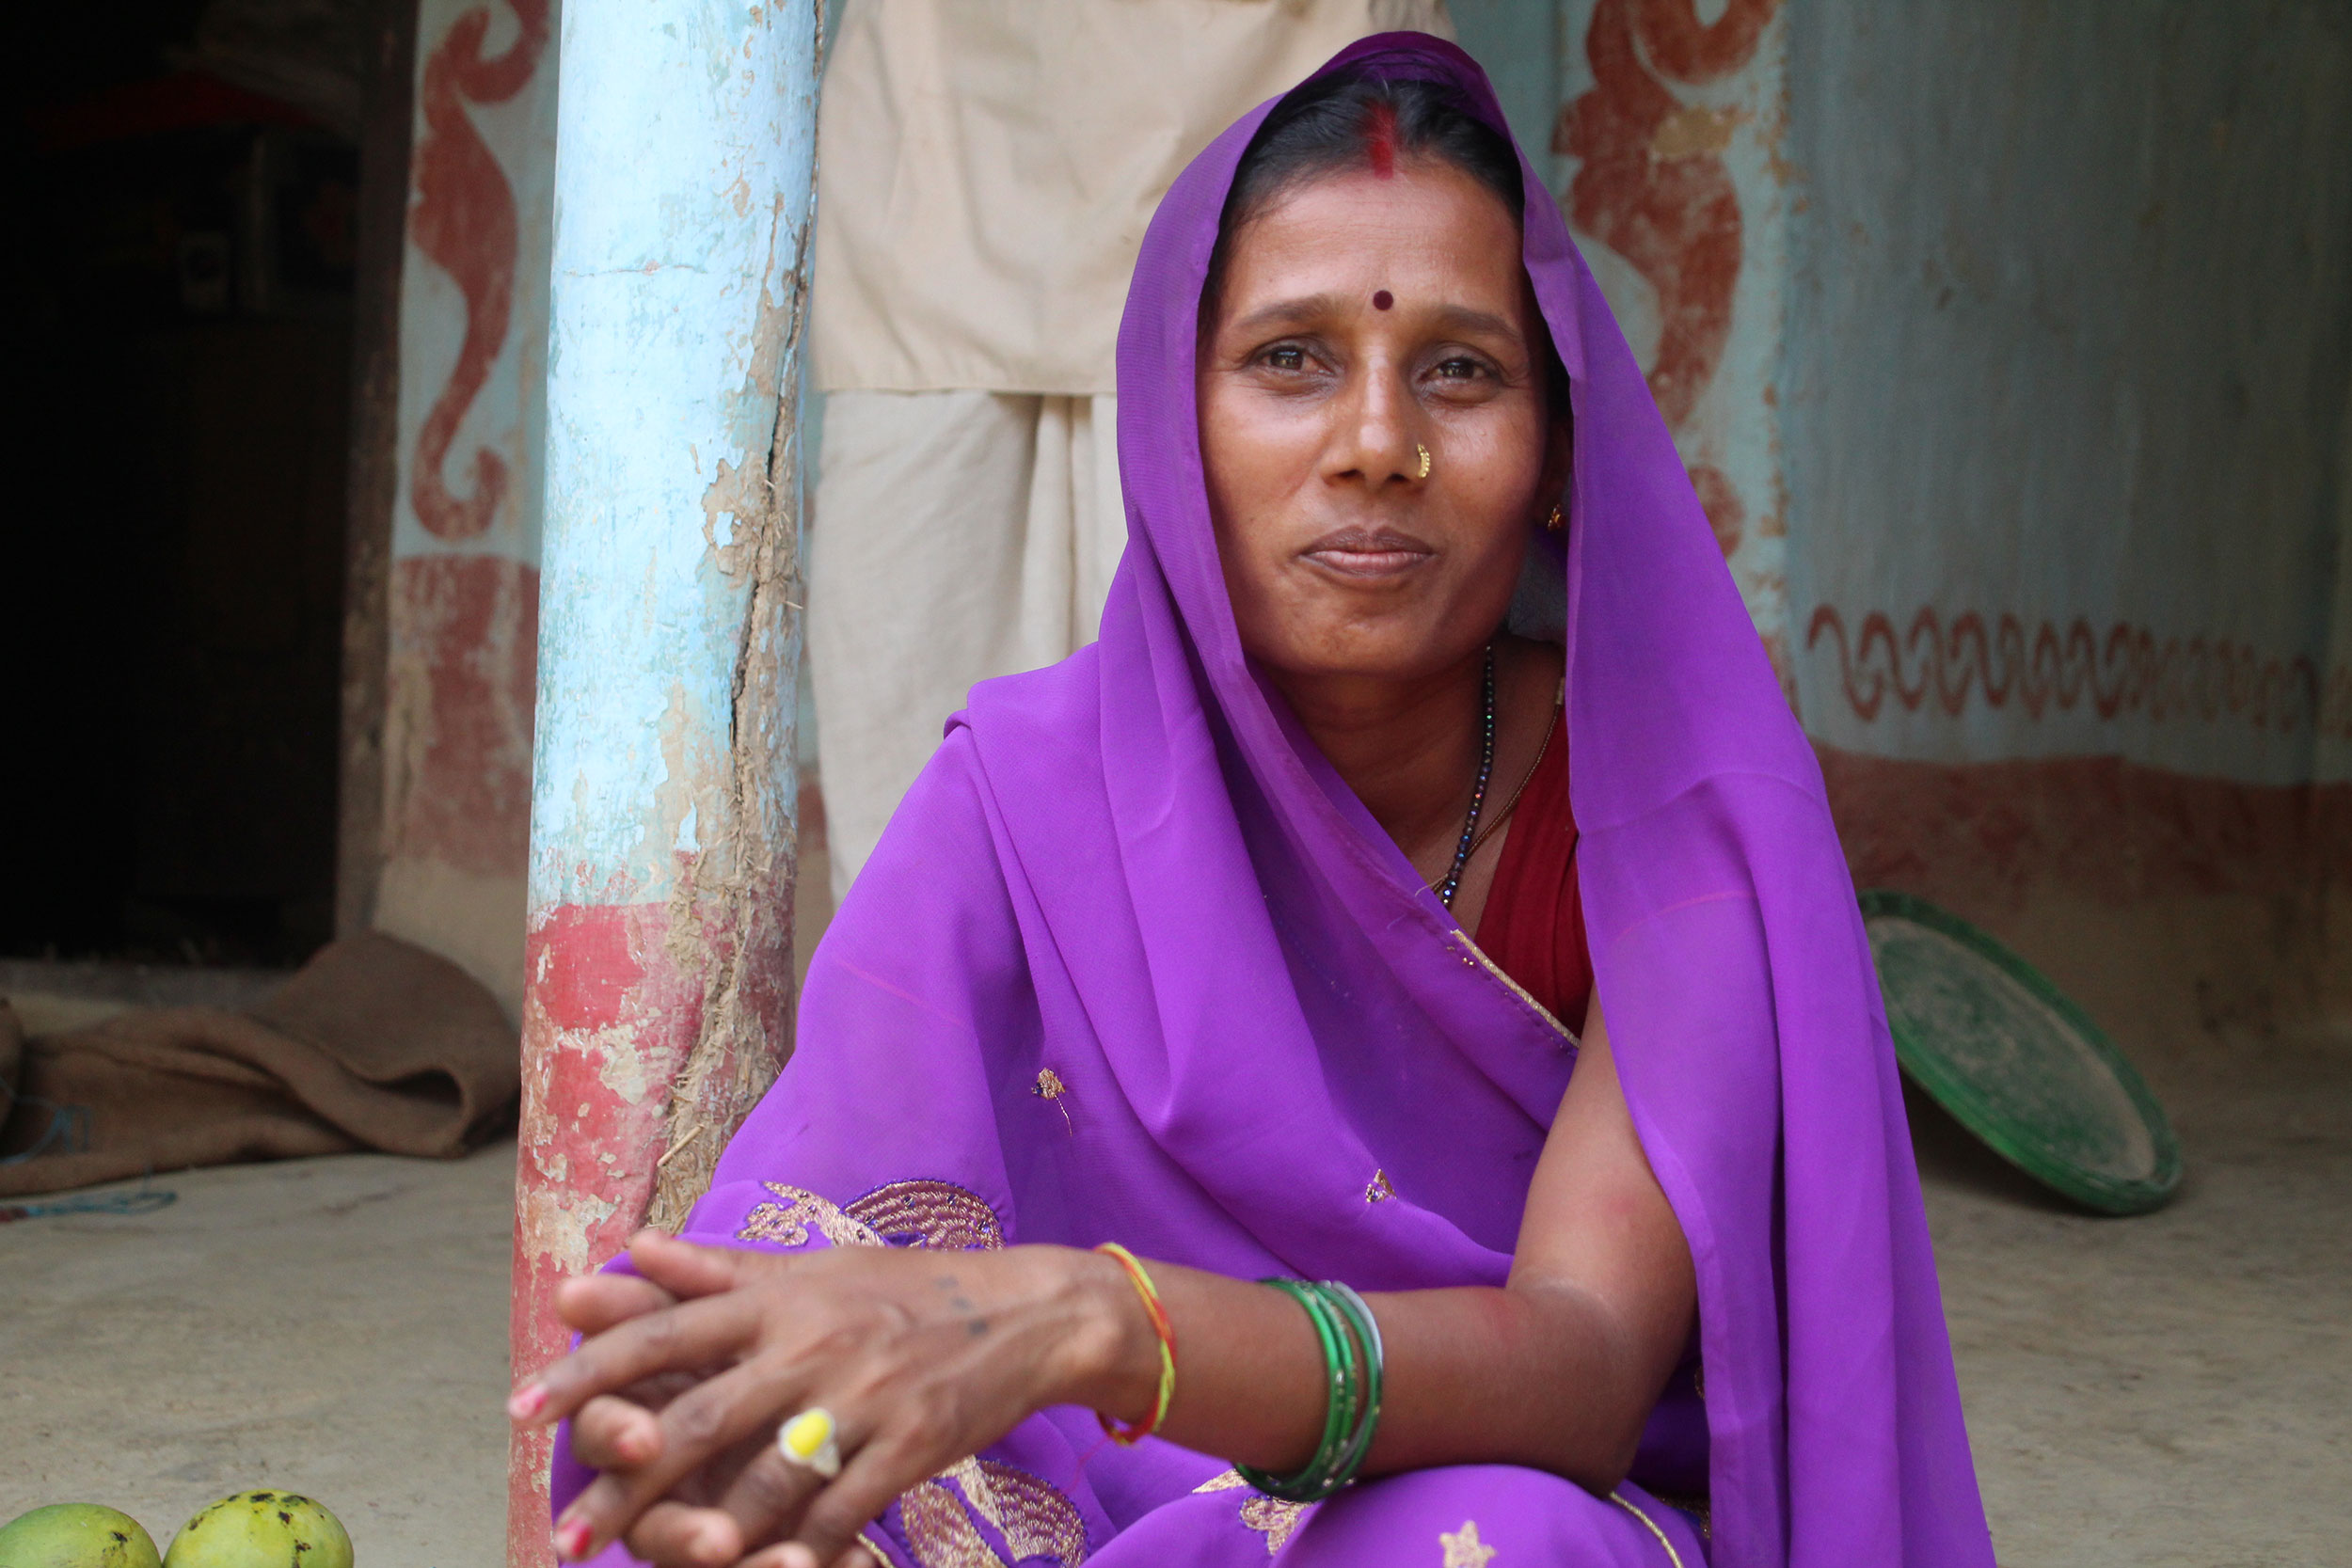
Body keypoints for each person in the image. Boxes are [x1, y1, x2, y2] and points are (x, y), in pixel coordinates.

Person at [514, 37, 1998, 1568]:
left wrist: (1102, 1319)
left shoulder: (1668, 816)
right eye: (1292, 359)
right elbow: (833, 1250)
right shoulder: (1026, 794)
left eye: (1462, 370)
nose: (1376, 445)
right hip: (1070, 1495)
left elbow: (1581, 1368)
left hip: (1483, 1489)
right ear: (1177, 428)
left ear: (1559, 453)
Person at [805, 0, 1453, 903]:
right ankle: (928, 1040)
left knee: (1244, 806)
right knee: (915, 789)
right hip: (939, 129)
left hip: (1278, 78)